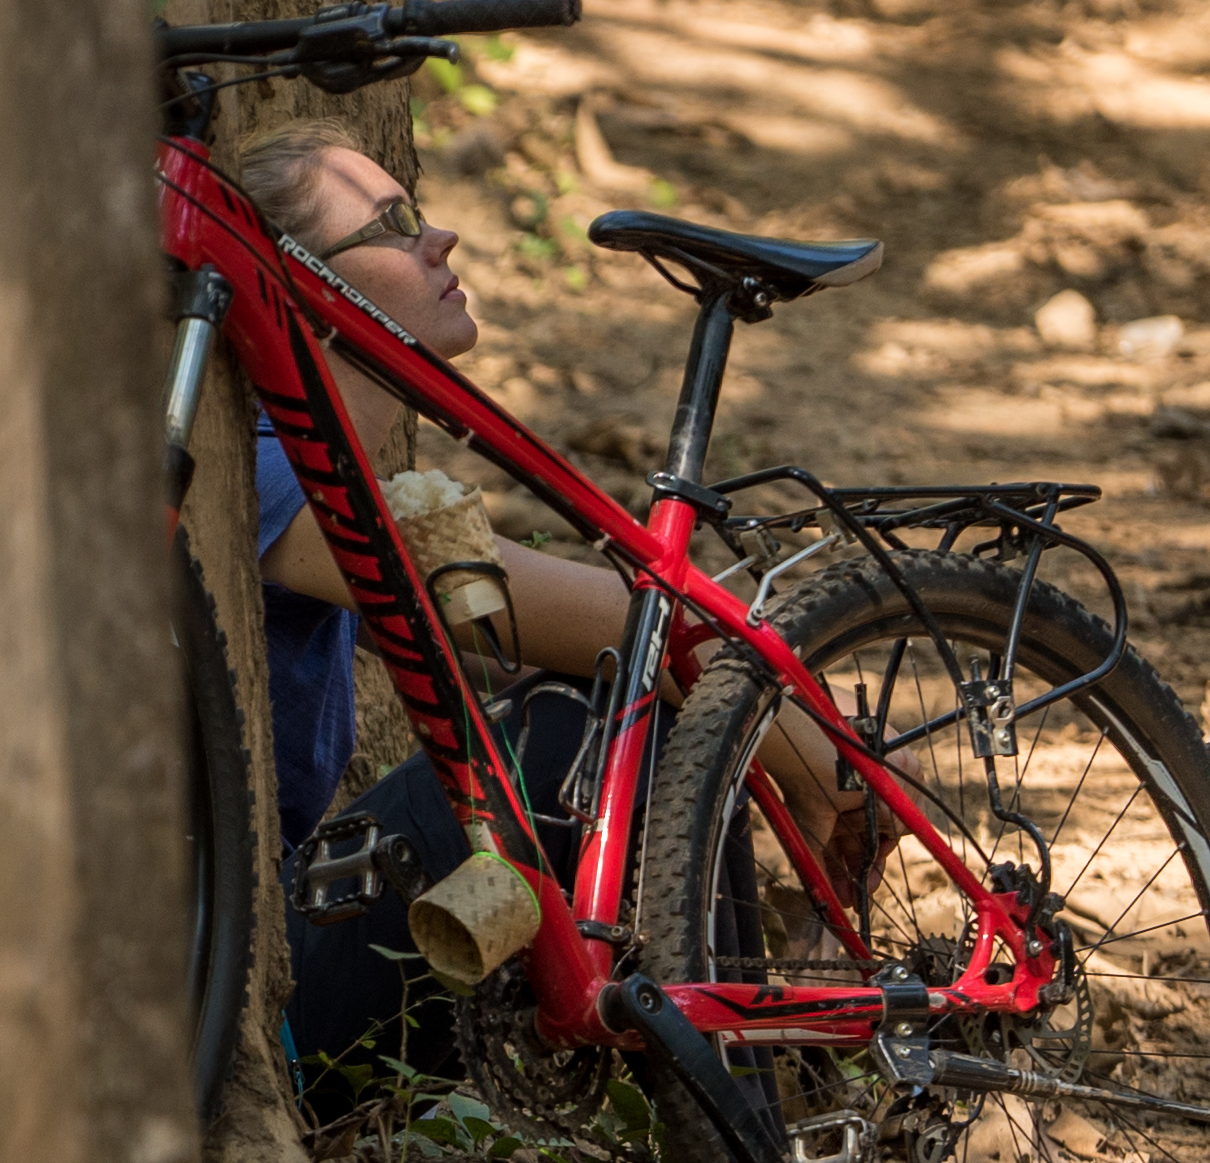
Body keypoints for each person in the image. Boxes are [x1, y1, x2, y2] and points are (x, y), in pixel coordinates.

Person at [220, 119, 845, 1098]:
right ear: (300, 286)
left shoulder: (293, 471)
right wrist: (817, 761)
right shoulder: (254, 478)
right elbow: (594, 621)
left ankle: (775, 1136)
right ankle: (779, 1157)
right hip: (252, 999)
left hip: (282, 959)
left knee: (608, 711)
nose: (441, 241)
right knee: (591, 724)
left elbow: (506, 634)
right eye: (394, 224)